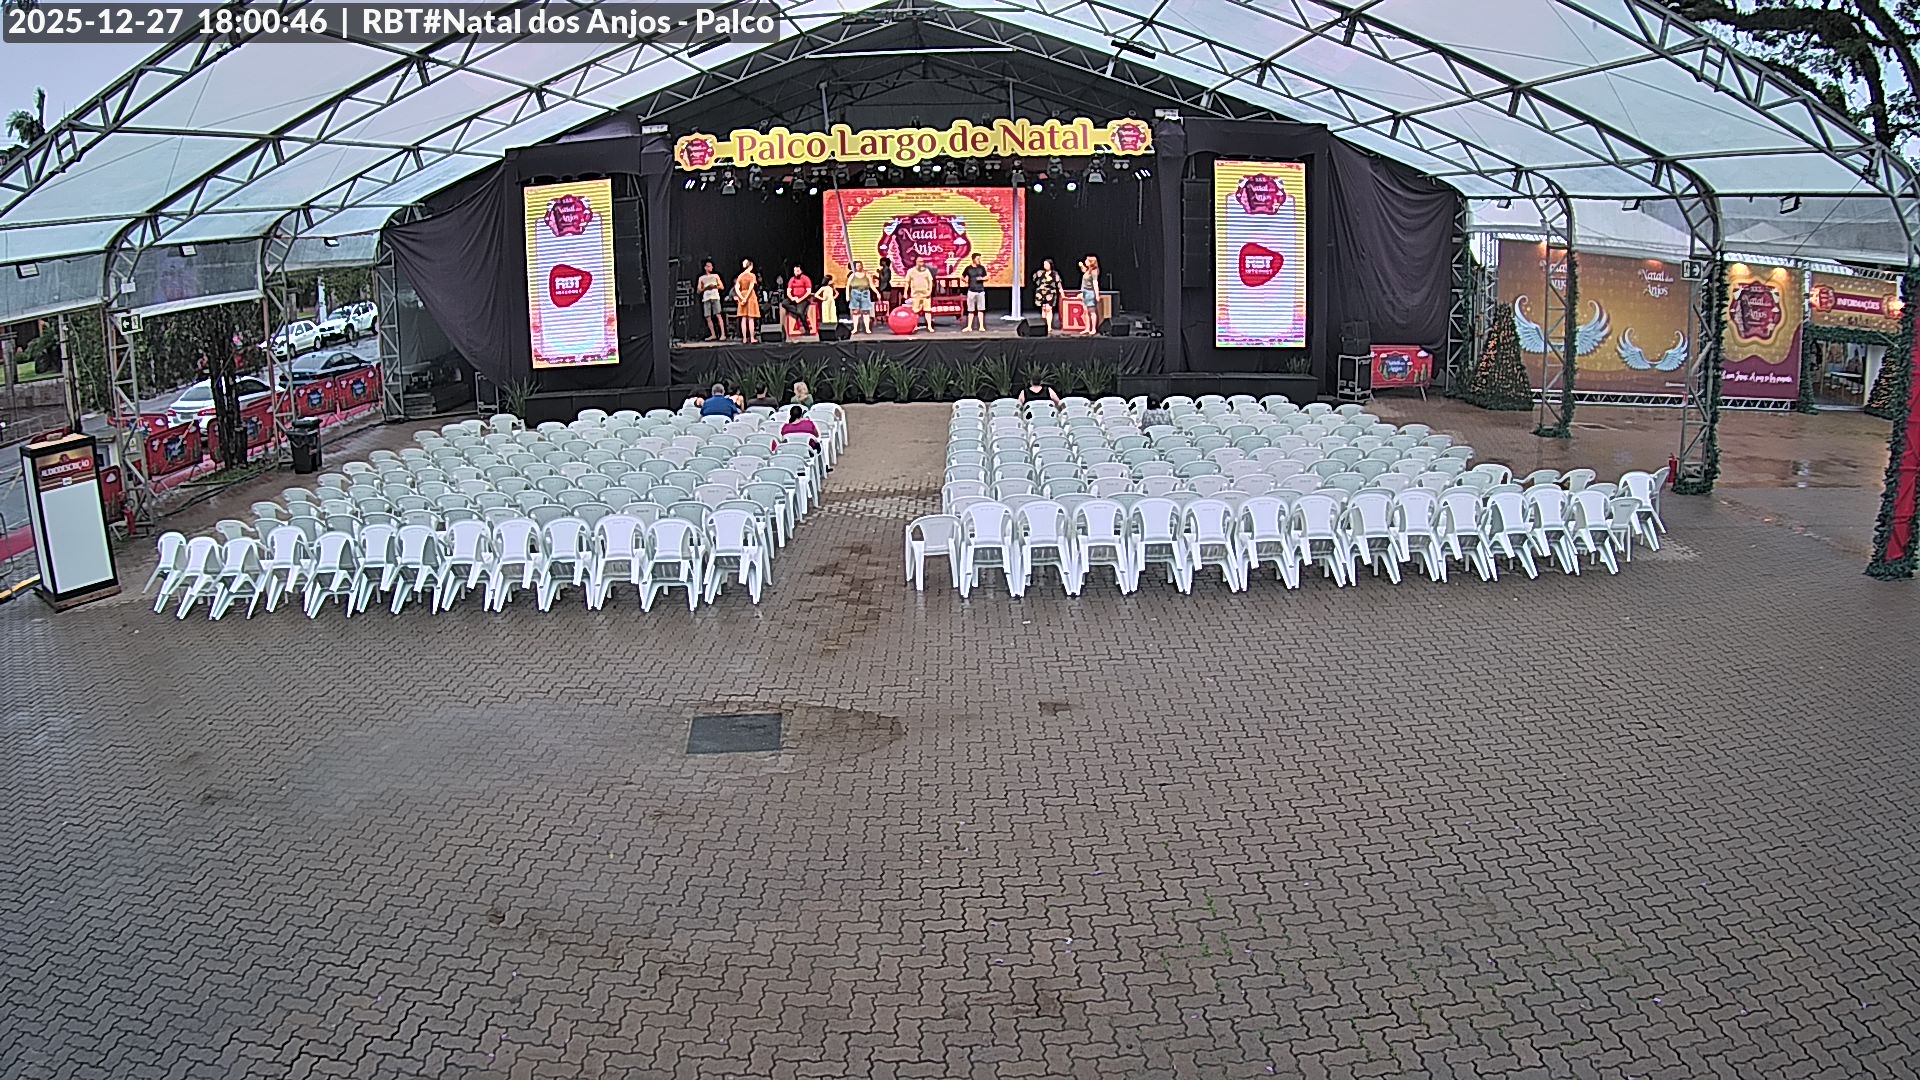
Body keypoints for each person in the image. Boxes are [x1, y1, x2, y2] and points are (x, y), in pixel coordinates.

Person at [696, 259, 726, 341]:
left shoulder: (716, 276)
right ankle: (713, 334)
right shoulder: (701, 278)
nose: (711, 268)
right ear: (705, 267)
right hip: (706, 298)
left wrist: (714, 286)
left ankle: (723, 334)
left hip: (715, 297)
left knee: (718, 315)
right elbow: (698, 290)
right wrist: (706, 288)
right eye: (709, 266)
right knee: (708, 317)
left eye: (711, 266)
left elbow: (722, 287)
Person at [904, 259, 937, 333]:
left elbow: (930, 282)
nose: (921, 263)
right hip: (916, 295)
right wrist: (905, 292)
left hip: (926, 294)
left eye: (922, 262)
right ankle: (915, 326)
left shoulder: (926, 271)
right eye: (920, 261)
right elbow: (907, 282)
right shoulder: (911, 271)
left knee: (928, 310)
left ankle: (929, 326)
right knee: (915, 311)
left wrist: (930, 291)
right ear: (916, 262)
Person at [960, 252, 989, 333]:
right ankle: (969, 327)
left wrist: (982, 279)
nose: (979, 260)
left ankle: (981, 326)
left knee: (981, 310)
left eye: (980, 259)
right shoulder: (968, 268)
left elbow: (986, 277)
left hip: (980, 291)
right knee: (971, 310)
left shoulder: (981, 268)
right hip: (971, 291)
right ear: (973, 259)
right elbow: (962, 276)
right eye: (977, 259)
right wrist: (965, 280)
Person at [1031, 258, 1063, 331]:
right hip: (1041, 294)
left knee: (1049, 309)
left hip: (1050, 293)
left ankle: (1049, 326)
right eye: (1044, 264)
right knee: (1043, 310)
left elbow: (1058, 283)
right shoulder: (1040, 273)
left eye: (1047, 264)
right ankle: (1044, 325)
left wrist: (1061, 292)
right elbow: (1034, 279)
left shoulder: (1054, 274)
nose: (1045, 265)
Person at [784, 265, 816, 338]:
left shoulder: (806, 278)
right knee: (784, 303)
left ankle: (807, 328)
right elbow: (788, 291)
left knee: (800, 312)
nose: (796, 272)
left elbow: (808, 292)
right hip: (794, 298)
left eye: (797, 271)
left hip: (804, 299)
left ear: (801, 271)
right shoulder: (792, 279)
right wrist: (792, 298)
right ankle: (796, 311)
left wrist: (800, 299)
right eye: (795, 271)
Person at [733, 260, 761, 343]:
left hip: (742, 295)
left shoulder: (740, 276)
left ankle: (744, 338)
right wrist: (746, 298)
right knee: (751, 318)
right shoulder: (752, 275)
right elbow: (751, 287)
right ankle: (752, 338)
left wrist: (742, 297)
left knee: (743, 318)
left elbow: (736, 288)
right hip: (750, 297)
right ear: (751, 266)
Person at [845, 260, 875, 335]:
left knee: (866, 311)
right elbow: (848, 286)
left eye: (860, 265)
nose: (859, 267)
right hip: (855, 294)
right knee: (855, 312)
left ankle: (867, 328)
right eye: (857, 266)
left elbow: (871, 285)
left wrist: (877, 292)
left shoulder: (867, 275)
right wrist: (847, 295)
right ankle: (855, 329)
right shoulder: (852, 275)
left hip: (865, 294)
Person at [1077, 255, 1101, 336]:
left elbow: (1095, 283)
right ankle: (1087, 328)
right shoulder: (1088, 270)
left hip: (1090, 292)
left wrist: (1097, 295)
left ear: (1091, 262)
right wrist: (1081, 266)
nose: (1085, 261)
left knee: (1092, 312)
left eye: (1087, 260)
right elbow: (1083, 270)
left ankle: (1093, 329)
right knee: (1085, 311)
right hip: (1085, 292)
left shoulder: (1094, 271)